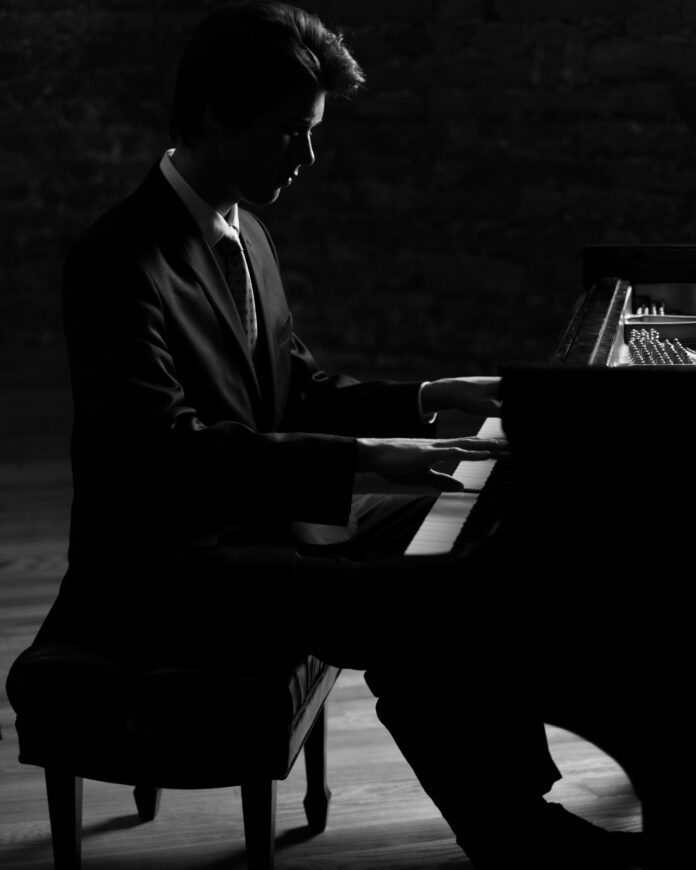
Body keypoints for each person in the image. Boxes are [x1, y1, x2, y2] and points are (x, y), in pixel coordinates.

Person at [36, 2, 662, 867]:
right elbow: (167, 458)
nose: (307, 156)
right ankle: (519, 837)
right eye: (290, 131)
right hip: (162, 569)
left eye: (312, 132)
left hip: (253, 533)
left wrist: (427, 398)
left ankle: (521, 815)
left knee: (470, 541)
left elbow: (296, 389)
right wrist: (371, 464)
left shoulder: (245, 231)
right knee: (424, 610)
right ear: (214, 116)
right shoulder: (117, 260)